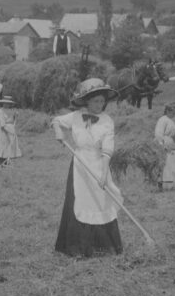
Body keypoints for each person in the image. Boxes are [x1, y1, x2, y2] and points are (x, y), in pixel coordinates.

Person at [52, 78, 123, 256]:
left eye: (102, 101)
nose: (100, 104)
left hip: (98, 163)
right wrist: (58, 131)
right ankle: (78, 247)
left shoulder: (107, 121)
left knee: (100, 201)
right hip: (79, 165)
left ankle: (104, 246)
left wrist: (104, 173)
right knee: (79, 201)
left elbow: (108, 149)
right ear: (87, 101)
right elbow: (56, 120)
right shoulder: (75, 116)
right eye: (95, 101)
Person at [154, 103, 175, 190]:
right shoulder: (162, 120)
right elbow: (158, 133)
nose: (174, 114)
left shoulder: (171, 121)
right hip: (164, 145)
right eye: (173, 112)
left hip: (170, 145)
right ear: (168, 111)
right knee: (163, 165)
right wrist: (161, 144)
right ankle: (159, 186)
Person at [0, 95, 22, 168]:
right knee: (3, 144)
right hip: (4, 129)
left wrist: (15, 120)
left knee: (9, 145)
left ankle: (7, 161)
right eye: (5, 103)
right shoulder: (0, 111)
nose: (7, 105)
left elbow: (14, 119)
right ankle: (2, 162)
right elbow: (2, 123)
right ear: (3, 103)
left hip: (10, 128)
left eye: (8, 103)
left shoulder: (12, 111)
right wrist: (5, 128)